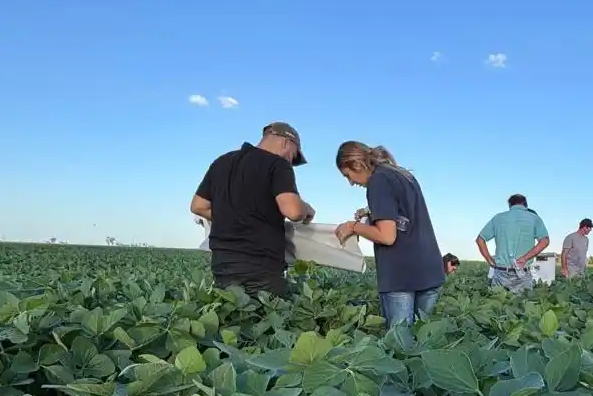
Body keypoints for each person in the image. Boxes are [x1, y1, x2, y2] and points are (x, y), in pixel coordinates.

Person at [190, 122, 315, 297]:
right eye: (293, 156)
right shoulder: (277, 164)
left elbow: (198, 206)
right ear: (286, 142)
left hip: (223, 266)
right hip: (261, 267)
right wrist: (307, 208)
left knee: (233, 319)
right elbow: (293, 211)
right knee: (266, 320)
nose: (290, 161)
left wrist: (233, 216)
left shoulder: (222, 161)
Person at [333, 142, 445, 328]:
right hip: (429, 270)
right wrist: (371, 211)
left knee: (400, 347)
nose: (351, 182)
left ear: (357, 164)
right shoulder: (401, 174)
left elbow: (387, 236)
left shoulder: (377, 181)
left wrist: (353, 227)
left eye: (348, 175)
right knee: (425, 342)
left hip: (401, 275)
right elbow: (405, 214)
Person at [476, 194, 550, 294]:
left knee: (496, 305)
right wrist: (525, 258)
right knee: (522, 306)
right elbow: (545, 241)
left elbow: (480, 239)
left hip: (500, 272)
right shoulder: (534, 218)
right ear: (525, 205)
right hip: (522, 271)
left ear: (510, 205)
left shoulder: (498, 218)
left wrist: (489, 259)